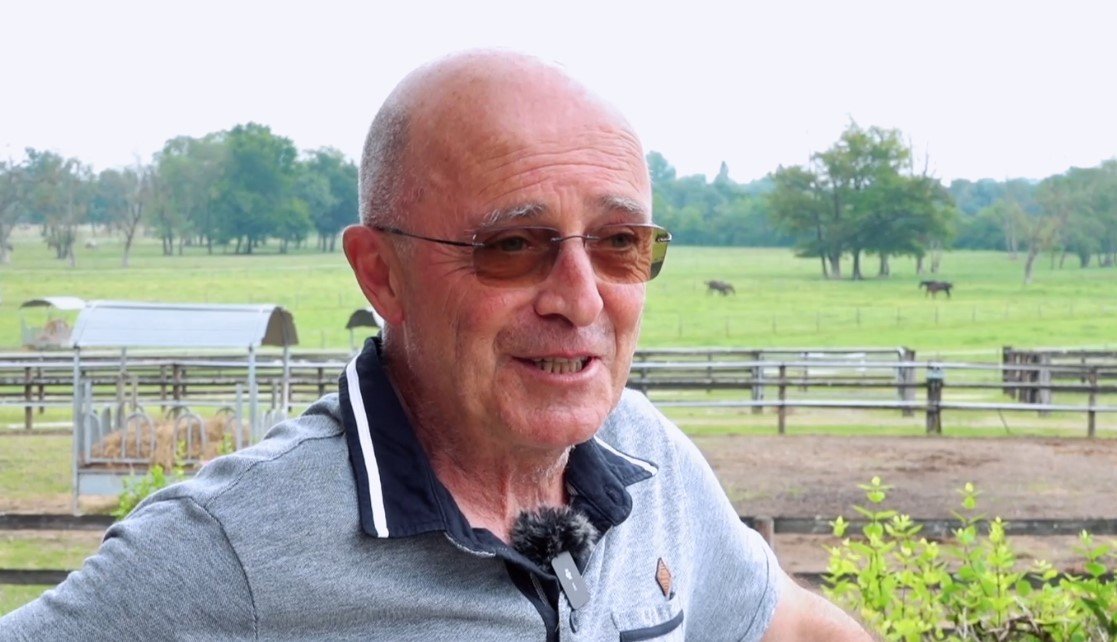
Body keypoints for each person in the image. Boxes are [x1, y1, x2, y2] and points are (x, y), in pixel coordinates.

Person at [1, 50, 870, 640]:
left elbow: (787, 625)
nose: (580, 299)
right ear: (381, 275)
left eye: (619, 244)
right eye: (512, 245)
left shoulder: (645, 460)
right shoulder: (229, 548)